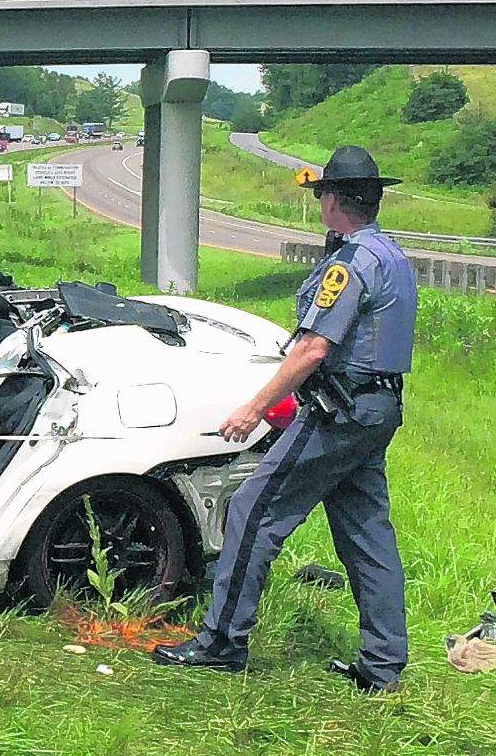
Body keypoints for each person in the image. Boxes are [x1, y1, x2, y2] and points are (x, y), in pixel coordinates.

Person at [150, 145, 417, 694]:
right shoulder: (392, 255)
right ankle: (383, 665)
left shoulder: (351, 264)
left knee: (253, 510)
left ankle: (223, 640)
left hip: (340, 412)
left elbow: (313, 348)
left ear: (334, 199)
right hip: (378, 408)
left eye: (322, 194)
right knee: (367, 532)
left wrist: (251, 409)